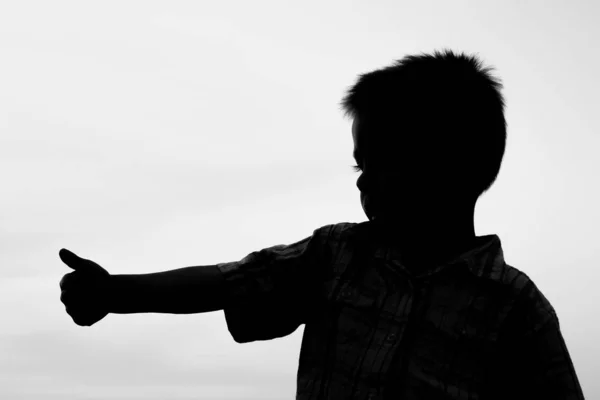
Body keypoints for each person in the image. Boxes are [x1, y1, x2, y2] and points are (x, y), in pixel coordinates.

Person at [58, 49, 585, 399]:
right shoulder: (337, 255)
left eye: (376, 162)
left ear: (444, 164)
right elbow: (229, 281)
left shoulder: (516, 310)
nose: (363, 181)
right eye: (360, 165)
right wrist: (114, 293)